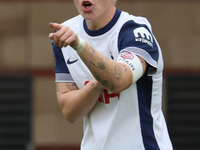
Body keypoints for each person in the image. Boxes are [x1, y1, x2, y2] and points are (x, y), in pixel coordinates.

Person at [49, 0, 173, 149]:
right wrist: (95, 84)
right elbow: (70, 112)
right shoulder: (66, 33)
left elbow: (119, 80)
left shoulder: (134, 31)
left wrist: (79, 45)